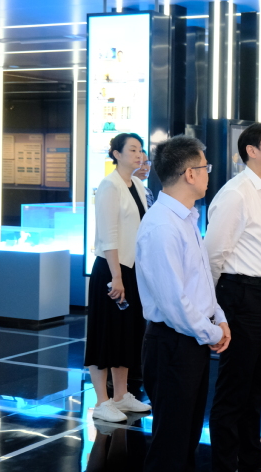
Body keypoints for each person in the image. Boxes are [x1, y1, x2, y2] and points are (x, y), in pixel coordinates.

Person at [136, 135, 231, 472]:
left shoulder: (186, 218)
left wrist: (218, 316)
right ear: (190, 174)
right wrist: (211, 332)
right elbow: (173, 301)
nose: (208, 174)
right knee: (171, 444)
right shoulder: (162, 225)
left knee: (187, 436)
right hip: (172, 344)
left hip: (191, 339)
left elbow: (200, 280)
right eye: (205, 168)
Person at [206, 122, 261, 472]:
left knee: (258, 384)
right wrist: (213, 308)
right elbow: (213, 255)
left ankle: (251, 458)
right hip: (241, 295)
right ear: (252, 151)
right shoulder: (236, 193)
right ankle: (225, 463)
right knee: (235, 386)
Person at [84, 133, 151, 423]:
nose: (139, 154)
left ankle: (122, 395)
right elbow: (108, 235)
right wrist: (117, 276)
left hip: (131, 270)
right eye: (132, 149)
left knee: (127, 333)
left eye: (140, 150)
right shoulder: (109, 185)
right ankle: (102, 401)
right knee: (104, 334)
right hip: (112, 270)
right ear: (116, 154)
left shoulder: (137, 184)